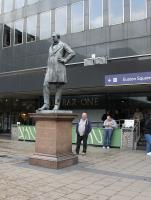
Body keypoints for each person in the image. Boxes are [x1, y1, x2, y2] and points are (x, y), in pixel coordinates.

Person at [38, 32, 75, 111]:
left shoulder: (63, 45)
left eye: (53, 37)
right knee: (45, 85)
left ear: (58, 37)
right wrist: (47, 69)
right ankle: (46, 104)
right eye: (52, 37)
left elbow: (72, 53)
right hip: (50, 69)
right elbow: (49, 59)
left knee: (58, 87)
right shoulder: (50, 47)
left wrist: (65, 60)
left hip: (59, 69)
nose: (52, 38)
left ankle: (56, 105)